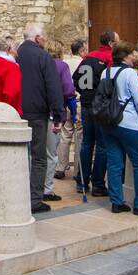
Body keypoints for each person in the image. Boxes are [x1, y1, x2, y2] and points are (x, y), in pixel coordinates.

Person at [97, 40, 138, 218]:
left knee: (115, 162)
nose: (136, 56)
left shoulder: (106, 72)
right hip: (128, 121)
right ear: (126, 55)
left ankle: (117, 201)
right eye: (133, 53)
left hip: (109, 121)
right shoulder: (130, 73)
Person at [18, 23, 65, 214]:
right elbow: (53, 87)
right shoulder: (43, 56)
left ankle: (18, 193)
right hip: (38, 114)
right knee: (38, 157)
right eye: (44, 37)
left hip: (18, 112)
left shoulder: (16, 55)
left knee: (20, 155)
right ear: (37, 39)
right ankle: (34, 199)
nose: (45, 40)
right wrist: (58, 114)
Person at [74, 30, 118, 197]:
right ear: (111, 43)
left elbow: (76, 78)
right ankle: (98, 184)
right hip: (100, 106)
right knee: (102, 145)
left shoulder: (89, 56)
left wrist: (85, 92)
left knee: (87, 143)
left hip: (85, 104)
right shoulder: (109, 58)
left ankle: (82, 180)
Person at [43, 40, 75, 200]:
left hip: (37, 112)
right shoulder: (62, 66)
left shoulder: (40, 63)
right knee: (51, 153)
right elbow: (68, 89)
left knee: (36, 152)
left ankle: (33, 185)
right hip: (53, 113)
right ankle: (47, 189)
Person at [55, 39, 86, 185]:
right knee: (79, 136)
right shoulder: (84, 64)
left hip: (64, 102)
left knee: (65, 135)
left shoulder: (65, 63)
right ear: (80, 51)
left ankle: (61, 167)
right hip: (78, 102)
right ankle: (77, 170)